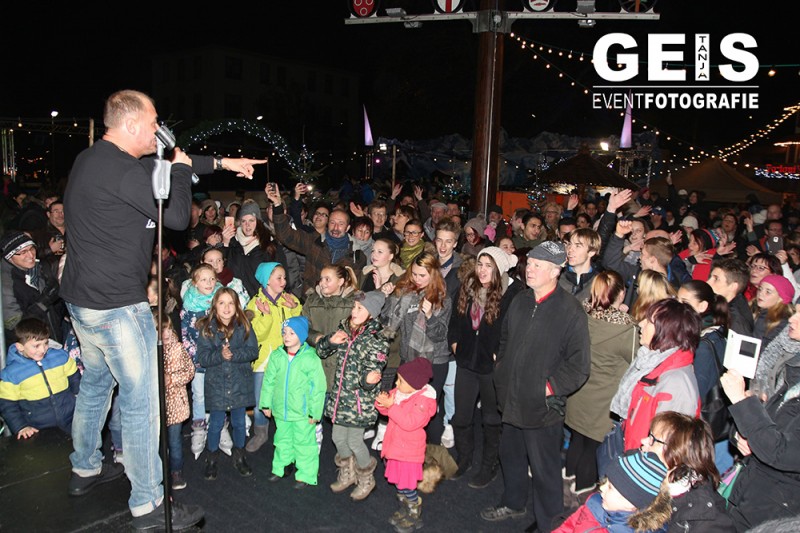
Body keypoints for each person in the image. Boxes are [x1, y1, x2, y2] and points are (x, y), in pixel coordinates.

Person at [60, 89, 262, 529]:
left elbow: (159, 169)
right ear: (132, 123)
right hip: (116, 307)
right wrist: (185, 171)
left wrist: (222, 163)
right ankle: (148, 503)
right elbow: (176, 216)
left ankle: (85, 466)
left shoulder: (94, 159)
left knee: (96, 382)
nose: (160, 131)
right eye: (154, 123)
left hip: (82, 301)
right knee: (142, 402)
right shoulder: (122, 171)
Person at [482, 241, 591, 530]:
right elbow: (505, 339)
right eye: (529, 263)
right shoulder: (520, 300)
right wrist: (501, 369)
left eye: (537, 265)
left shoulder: (570, 311)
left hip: (542, 409)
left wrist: (548, 388)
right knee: (510, 456)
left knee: (545, 472)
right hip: (510, 398)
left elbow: (579, 366)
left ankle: (550, 524)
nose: (529, 269)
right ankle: (513, 502)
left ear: (555, 271)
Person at [448, 247, 521, 488]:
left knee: (491, 419)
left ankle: (489, 465)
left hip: (492, 368)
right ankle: (464, 457)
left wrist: (499, 355)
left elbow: (514, 332)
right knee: (461, 416)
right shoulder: (467, 287)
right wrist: (456, 344)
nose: (482, 270)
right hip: (467, 362)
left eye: (489, 266)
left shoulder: (512, 294)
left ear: (499, 269)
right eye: (480, 264)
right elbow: (455, 322)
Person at [720, 323, 800, 533]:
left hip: (774, 514)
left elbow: (779, 452)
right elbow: (764, 425)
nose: (792, 319)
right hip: (748, 495)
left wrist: (740, 400)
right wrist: (740, 436)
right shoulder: (793, 375)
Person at [564, 271, 638, 495]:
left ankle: (568, 473)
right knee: (592, 446)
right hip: (604, 398)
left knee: (577, 436)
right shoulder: (626, 329)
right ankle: (583, 488)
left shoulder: (580, 313)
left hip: (578, 390)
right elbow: (636, 361)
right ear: (621, 294)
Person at [606, 299, 701, 467]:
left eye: (649, 322)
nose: (640, 324)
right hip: (633, 455)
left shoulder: (676, 384)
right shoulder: (652, 363)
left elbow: (668, 452)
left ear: (667, 332)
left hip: (644, 467)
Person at [316, 290, 389, 500]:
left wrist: (368, 380)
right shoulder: (345, 328)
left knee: (355, 442)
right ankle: (348, 472)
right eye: (354, 307)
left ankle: (366, 477)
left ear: (372, 314)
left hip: (359, 402)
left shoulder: (377, 339)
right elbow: (321, 351)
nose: (354, 311)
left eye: (360, 309)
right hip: (340, 399)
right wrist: (331, 341)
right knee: (338, 438)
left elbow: (374, 368)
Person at [384, 251, 453, 445]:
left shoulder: (442, 298)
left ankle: (432, 453)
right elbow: (387, 322)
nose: (417, 279)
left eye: (422, 275)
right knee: (402, 407)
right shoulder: (406, 293)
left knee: (427, 411)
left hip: (434, 361)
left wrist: (430, 316)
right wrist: (387, 297)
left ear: (434, 274)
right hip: (409, 358)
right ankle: (405, 452)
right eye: (414, 274)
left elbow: (440, 335)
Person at [195, 287, 259, 480]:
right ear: (215, 306)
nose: (226, 307)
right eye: (222, 303)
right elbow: (203, 358)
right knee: (215, 424)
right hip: (217, 385)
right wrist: (220, 355)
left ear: (237, 306)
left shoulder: (244, 326)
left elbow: (253, 351)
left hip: (239, 384)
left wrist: (234, 354)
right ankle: (211, 458)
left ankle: (239, 455)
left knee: (239, 423)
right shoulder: (207, 329)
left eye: (231, 303)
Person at [640, 412, 736, 532]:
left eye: (652, 440)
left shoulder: (706, 523)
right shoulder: (647, 479)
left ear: (677, 455)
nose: (643, 440)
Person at [260, 316, 326, 488]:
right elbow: (269, 381)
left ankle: (306, 474)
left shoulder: (311, 358)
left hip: (302, 412)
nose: (286, 336)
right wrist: (266, 403)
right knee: (282, 440)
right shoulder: (277, 356)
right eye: (284, 332)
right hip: (281, 410)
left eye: (292, 333)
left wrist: (315, 412)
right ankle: (282, 467)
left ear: (302, 335)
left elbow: (318, 387)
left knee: (304, 444)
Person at [267, 182, 366, 296]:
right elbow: (285, 235)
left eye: (341, 224)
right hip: (312, 302)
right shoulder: (314, 241)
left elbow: (355, 287)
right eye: (332, 222)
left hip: (339, 305)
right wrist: (278, 205)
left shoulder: (356, 255)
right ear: (328, 224)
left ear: (348, 227)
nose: (336, 227)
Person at [244, 262, 303, 453]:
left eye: (284, 277)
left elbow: (300, 328)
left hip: (286, 358)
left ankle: (286, 431)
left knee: (286, 396)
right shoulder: (255, 304)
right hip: (264, 360)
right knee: (261, 399)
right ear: (266, 280)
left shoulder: (289, 299)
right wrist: (267, 316)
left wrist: (295, 309)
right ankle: (261, 432)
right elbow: (256, 336)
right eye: (279, 277)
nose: (284, 281)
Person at [375, 356, 438, 533]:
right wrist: (382, 403)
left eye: (401, 381)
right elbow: (386, 411)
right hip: (395, 448)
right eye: (398, 379)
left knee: (407, 485)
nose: (396, 383)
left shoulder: (423, 402)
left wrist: (391, 406)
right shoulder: (400, 392)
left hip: (409, 454)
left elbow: (409, 422)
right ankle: (404, 508)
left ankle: (413, 512)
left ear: (414, 384)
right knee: (399, 483)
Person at [0, 317, 80, 439]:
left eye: (46, 343)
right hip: (37, 428)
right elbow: (7, 405)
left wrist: (78, 396)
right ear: (20, 347)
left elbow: (75, 377)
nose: (43, 350)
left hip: (71, 418)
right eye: (36, 346)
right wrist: (21, 427)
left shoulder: (60, 357)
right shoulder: (11, 374)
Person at [553, 450, 670, 533]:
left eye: (610, 487)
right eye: (606, 482)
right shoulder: (595, 503)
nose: (601, 488)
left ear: (630, 502)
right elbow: (569, 526)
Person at [181, 262, 224, 459]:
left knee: (218, 392)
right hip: (198, 360)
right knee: (198, 395)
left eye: (212, 279)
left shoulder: (221, 302)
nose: (209, 283)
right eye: (204, 279)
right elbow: (185, 335)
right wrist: (196, 356)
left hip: (218, 359)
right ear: (195, 283)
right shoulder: (188, 306)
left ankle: (220, 424)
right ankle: (199, 427)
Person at [0, 230, 67, 345]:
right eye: (23, 252)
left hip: (51, 337)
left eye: (32, 248)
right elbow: (15, 327)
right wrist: (44, 302)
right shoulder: (5, 284)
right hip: (30, 347)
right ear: (9, 256)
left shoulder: (37, 268)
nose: (31, 255)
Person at [154, 310, 195, 491]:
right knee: (157, 441)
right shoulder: (150, 351)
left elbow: (190, 371)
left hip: (176, 404)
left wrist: (171, 379)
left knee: (174, 441)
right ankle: (158, 471)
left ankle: (176, 471)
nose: (166, 333)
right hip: (155, 405)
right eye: (161, 330)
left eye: (168, 328)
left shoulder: (178, 348)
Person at [221, 199, 286, 299]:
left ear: (258, 221)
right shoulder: (233, 243)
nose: (247, 225)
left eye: (251, 220)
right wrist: (225, 244)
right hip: (235, 301)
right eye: (244, 221)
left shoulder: (270, 245)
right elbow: (222, 270)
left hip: (261, 302)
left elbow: (282, 276)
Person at [707, 258, 755, 335]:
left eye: (716, 279)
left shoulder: (735, 322)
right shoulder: (725, 306)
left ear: (733, 286)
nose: (708, 282)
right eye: (710, 277)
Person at [751, 274, 794, 349]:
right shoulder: (756, 310)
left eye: (768, 292)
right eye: (760, 289)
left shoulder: (781, 322)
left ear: (781, 298)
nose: (760, 294)